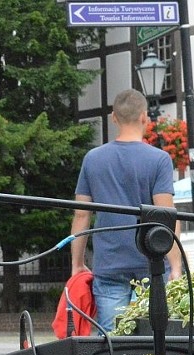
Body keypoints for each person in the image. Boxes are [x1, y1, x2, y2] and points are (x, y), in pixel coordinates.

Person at [70, 88, 182, 333]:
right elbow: (167, 216)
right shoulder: (159, 159)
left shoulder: (93, 159)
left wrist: (77, 264)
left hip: (109, 264)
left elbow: (81, 215)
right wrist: (175, 267)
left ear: (114, 118)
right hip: (150, 262)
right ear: (145, 117)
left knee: (111, 340)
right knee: (154, 338)